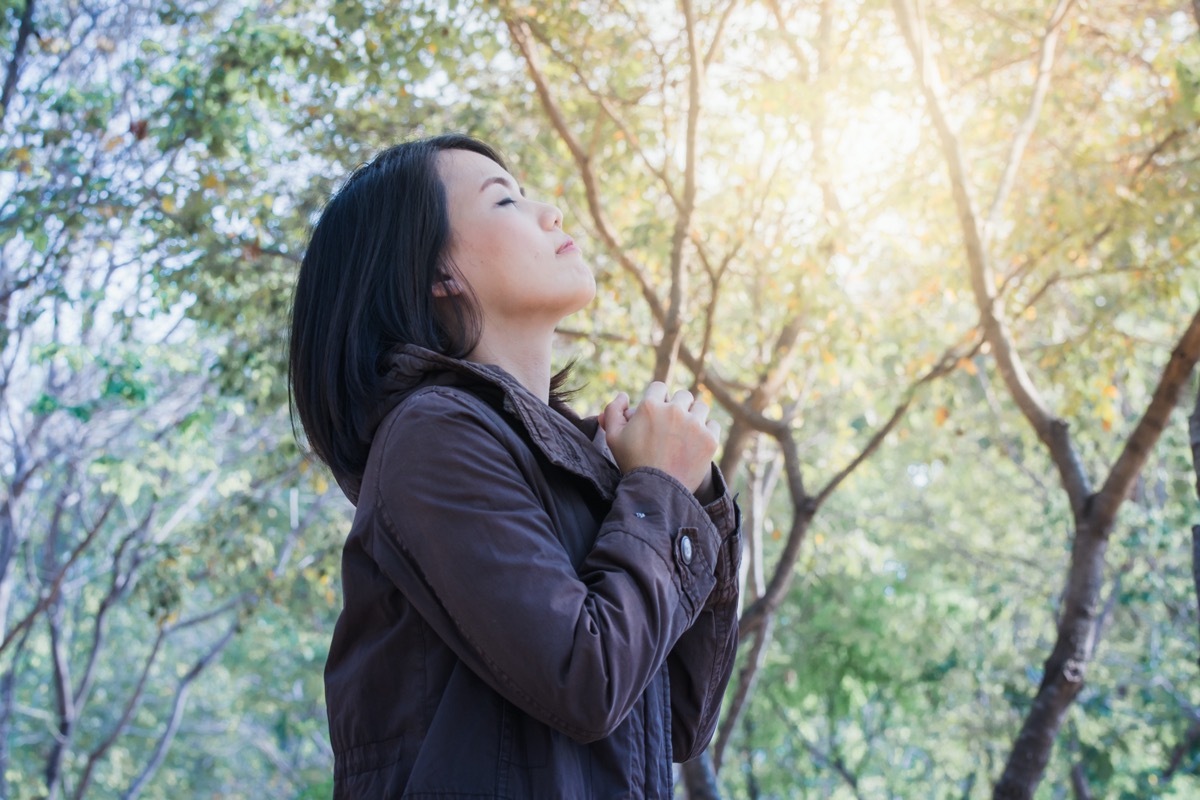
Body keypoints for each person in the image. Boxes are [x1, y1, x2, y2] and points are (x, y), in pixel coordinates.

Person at [288, 133, 741, 798]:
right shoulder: (433, 434)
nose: (551, 212)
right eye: (504, 200)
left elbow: (675, 720)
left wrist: (689, 497)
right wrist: (661, 491)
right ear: (437, 275)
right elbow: (587, 680)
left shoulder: (585, 469)